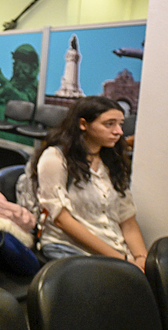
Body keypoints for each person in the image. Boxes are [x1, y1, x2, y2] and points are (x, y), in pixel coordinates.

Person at [26, 96, 148, 271]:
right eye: (109, 124)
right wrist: (123, 261)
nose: (119, 131)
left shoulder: (112, 161)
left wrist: (142, 258)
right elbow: (62, 220)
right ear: (83, 124)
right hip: (70, 248)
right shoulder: (55, 159)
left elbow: (127, 220)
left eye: (120, 124)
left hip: (117, 252)